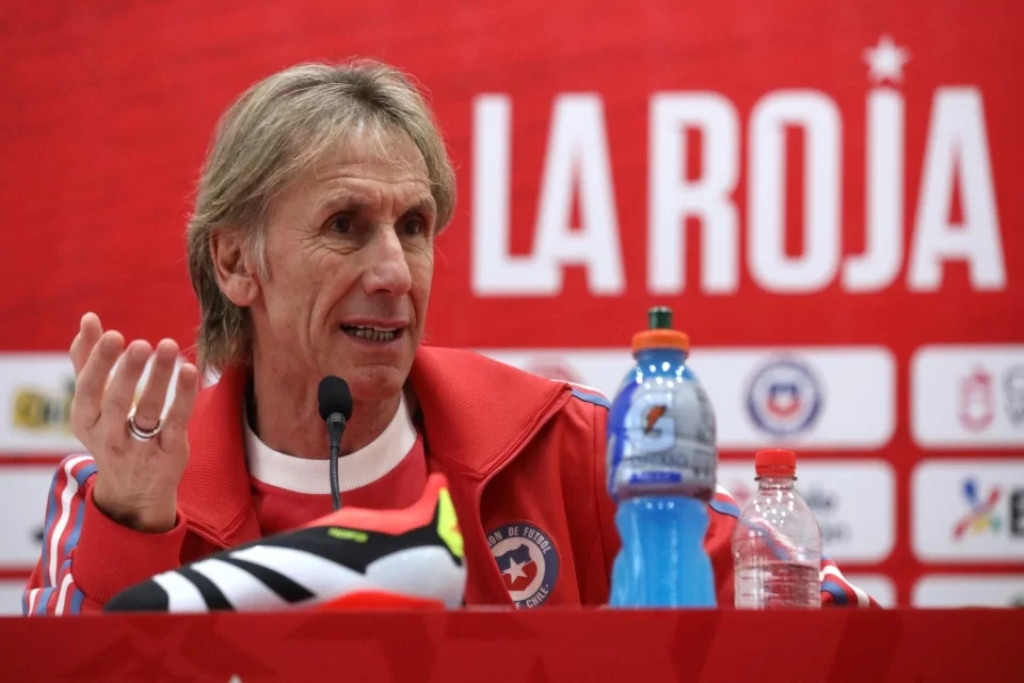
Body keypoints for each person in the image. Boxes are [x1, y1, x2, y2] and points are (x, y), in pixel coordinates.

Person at [23, 60, 875, 615]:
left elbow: (834, 621)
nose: (396, 269)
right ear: (237, 261)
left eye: (416, 225)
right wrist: (134, 524)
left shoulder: (561, 446)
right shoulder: (121, 493)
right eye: (346, 225)